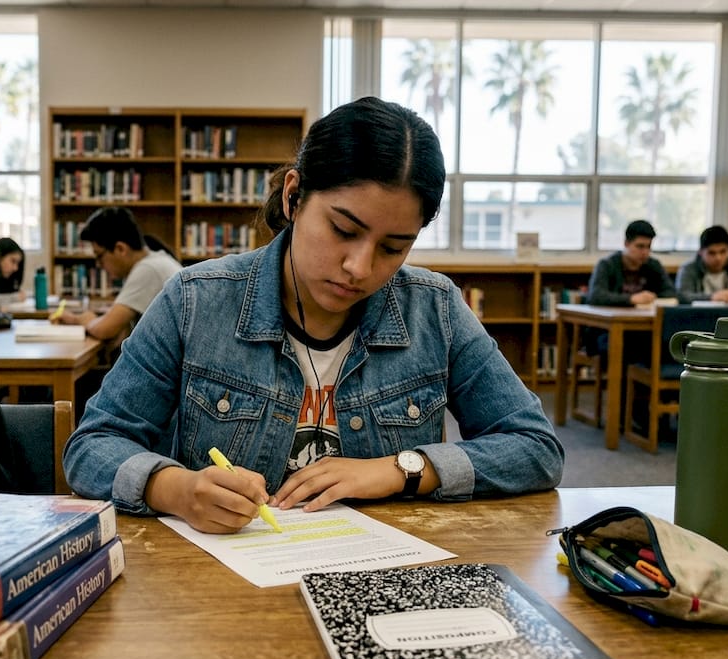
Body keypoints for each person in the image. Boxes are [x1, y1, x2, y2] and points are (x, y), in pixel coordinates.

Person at [63, 97, 563, 534]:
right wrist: (174, 489)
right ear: (294, 196)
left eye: (393, 247)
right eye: (344, 229)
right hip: (224, 590)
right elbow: (92, 447)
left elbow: (535, 447)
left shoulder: (435, 309)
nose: (359, 268)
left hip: (380, 576)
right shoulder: (195, 301)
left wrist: (401, 469)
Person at [55, 207, 183, 340]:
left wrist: (84, 321)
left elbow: (105, 329)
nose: (98, 264)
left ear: (120, 249)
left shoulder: (148, 269)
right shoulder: (156, 260)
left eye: (99, 256)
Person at [587, 220, 677, 307]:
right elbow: (595, 296)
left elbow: (671, 292)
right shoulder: (607, 265)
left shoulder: (653, 265)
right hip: (615, 319)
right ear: (626, 244)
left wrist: (652, 297)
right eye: (640, 246)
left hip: (645, 318)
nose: (645, 252)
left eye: (648, 247)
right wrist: (630, 299)